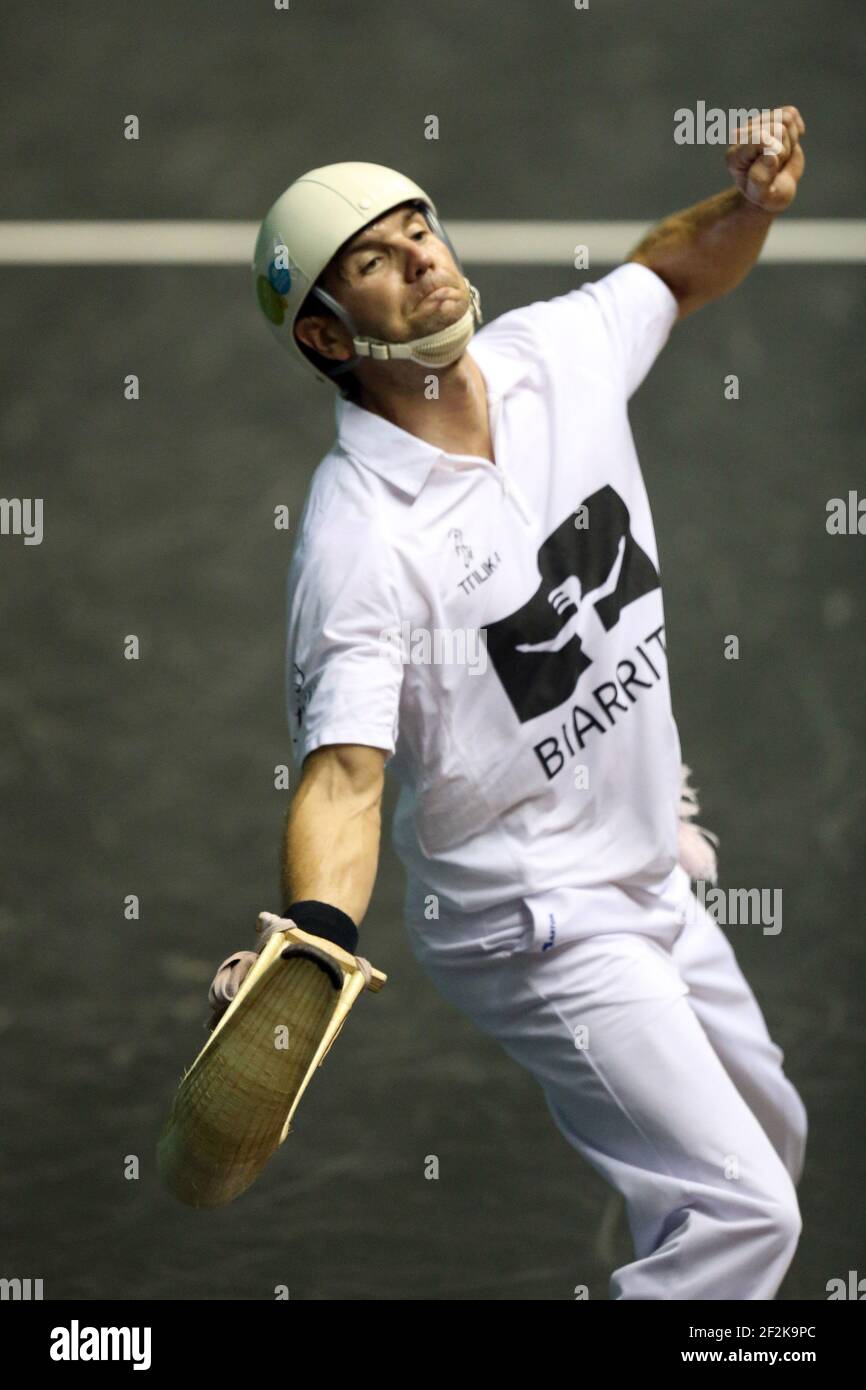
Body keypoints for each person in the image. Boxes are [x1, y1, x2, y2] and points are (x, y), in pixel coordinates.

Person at [211, 107, 808, 1298]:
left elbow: (669, 273)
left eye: (417, 226)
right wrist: (317, 936)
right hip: (537, 917)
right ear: (329, 337)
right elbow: (344, 773)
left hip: (643, 860)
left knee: (767, 1134)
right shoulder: (360, 545)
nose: (423, 256)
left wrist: (748, 208)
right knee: (742, 1213)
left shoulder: (555, 355)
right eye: (375, 260)